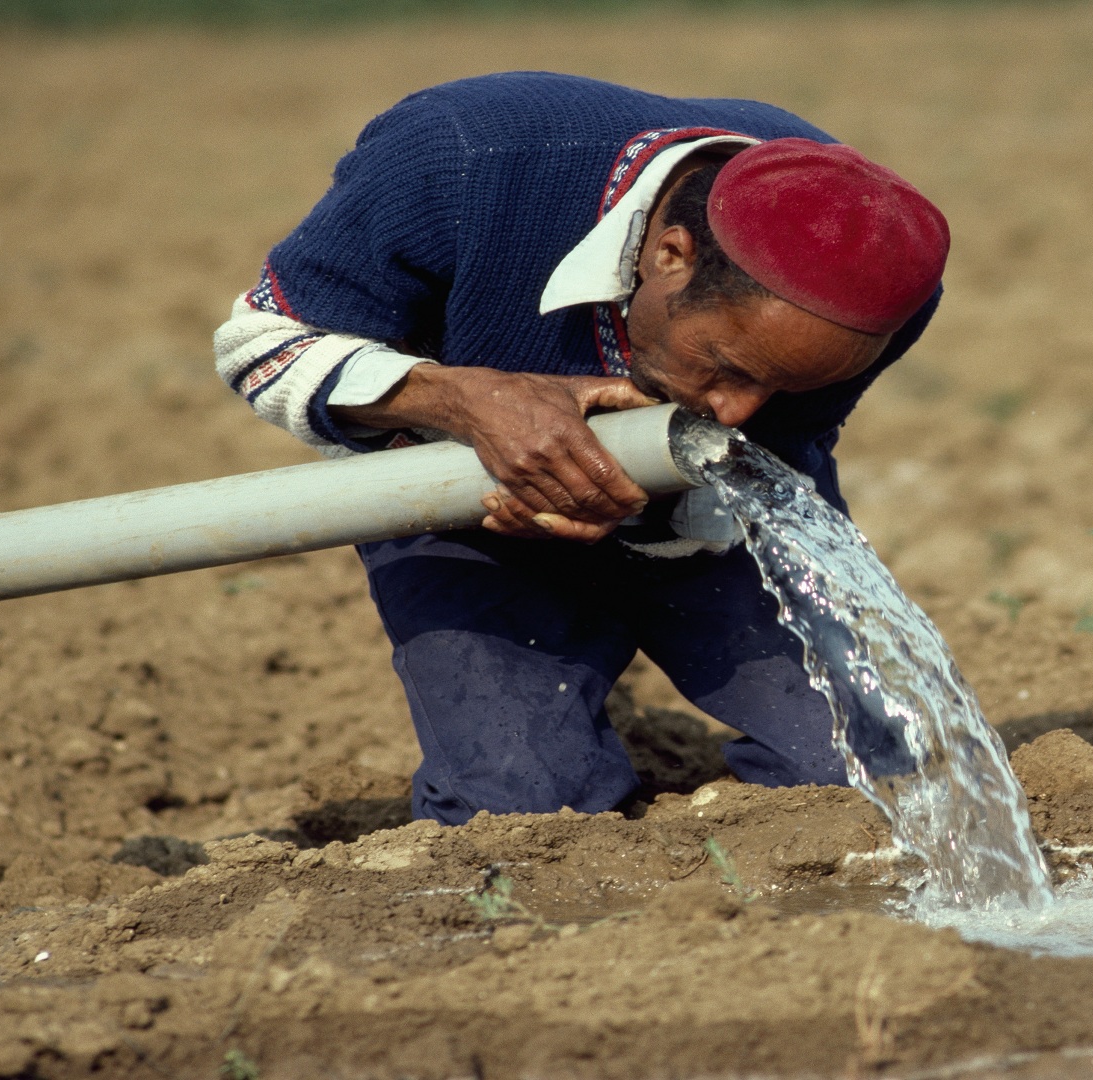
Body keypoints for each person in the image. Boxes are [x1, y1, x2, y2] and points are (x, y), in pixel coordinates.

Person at [213, 72, 948, 824]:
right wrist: (468, 402)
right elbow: (264, 346)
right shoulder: (460, 157)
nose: (735, 411)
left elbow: (780, 448)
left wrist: (633, 499)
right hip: (462, 502)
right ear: (671, 254)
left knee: (875, 778)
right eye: (728, 365)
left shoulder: (880, 281)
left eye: (780, 386)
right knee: (525, 814)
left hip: (719, 510)